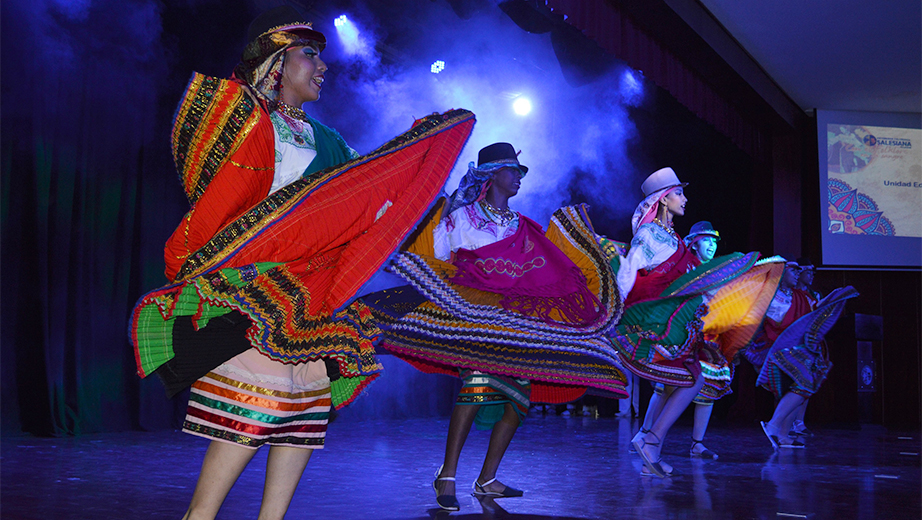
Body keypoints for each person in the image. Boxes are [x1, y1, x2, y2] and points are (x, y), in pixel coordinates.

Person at [128, 7, 474, 519]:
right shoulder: (245, 122)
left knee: (304, 407)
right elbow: (222, 204)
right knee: (261, 400)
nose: (323, 66)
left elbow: (368, 193)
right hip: (257, 283)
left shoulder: (328, 140)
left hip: (314, 289)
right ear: (274, 63)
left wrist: (424, 176)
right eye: (309, 54)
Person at [366, 143, 628, 511]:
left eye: (520, 171)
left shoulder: (523, 226)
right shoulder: (463, 219)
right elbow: (437, 257)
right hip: (472, 319)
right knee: (474, 385)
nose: (518, 176)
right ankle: (447, 475)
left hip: (513, 324)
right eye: (512, 170)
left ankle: (487, 478)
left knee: (518, 402)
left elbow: (549, 269)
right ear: (491, 176)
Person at [638, 221, 724, 459]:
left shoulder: (717, 271)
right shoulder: (685, 266)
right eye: (707, 240)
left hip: (707, 336)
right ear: (694, 243)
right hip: (682, 334)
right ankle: (646, 437)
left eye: (715, 241)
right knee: (666, 386)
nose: (712, 245)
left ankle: (695, 443)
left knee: (707, 388)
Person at [753, 262, 857, 450]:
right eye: (793, 270)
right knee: (804, 384)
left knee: (799, 389)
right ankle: (773, 426)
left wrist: (834, 299)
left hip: (798, 349)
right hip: (779, 349)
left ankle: (783, 435)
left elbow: (813, 313)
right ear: (781, 272)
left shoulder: (802, 296)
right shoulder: (770, 296)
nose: (797, 273)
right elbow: (775, 322)